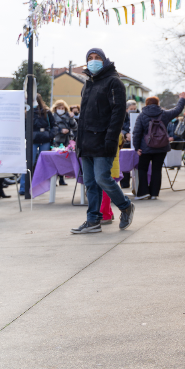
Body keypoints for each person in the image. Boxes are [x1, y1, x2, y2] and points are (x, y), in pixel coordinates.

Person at [72, 48, 136, 234]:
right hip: (86, 141)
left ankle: (125, 206)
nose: (93, 61)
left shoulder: (114, 82)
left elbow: (118, 114)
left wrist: (111, 139)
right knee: (90, 183)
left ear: (104, 60)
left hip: (103, 140)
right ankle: (93, 220)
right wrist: (79, 141)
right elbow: (83, 116)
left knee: (102, 178)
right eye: (90, 58)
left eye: (97, 58)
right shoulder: (87, 85)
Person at [132, 93, 185, 200]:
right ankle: (154, 194)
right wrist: (182, 99)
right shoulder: (165, 114)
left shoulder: (142, 115)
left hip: (145, 148)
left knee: (142, 169)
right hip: (162, 147)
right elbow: (178, 109)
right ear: (158, 104)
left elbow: (137, 133)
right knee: (157, 170)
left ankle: (143, 192)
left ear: (146, 104)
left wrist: (136, 147)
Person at [19, 94, 56, 198]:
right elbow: (23, 126)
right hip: (33, 140)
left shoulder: (47, 112)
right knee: (29, 163)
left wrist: (50, 135)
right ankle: (24, 187)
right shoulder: (27, 113)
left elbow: (54, 125)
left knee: (42, 163)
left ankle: (39, 187)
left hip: (44, 139)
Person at [99, 132, 124, 225]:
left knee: (105, 192)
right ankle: (108, 212)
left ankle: (105, 215)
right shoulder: (118, 133)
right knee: (106, 191)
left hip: (109, 166)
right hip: (111, 165)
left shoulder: (112, 133)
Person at [51, 99, 77, 185]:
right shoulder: (52, 116)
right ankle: (54, 179)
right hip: (56, 140)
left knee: (64, 160)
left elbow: (75, 127)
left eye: (62, 108)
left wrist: (72, 118)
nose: (61, 109)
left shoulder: (68, 116)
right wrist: (60, 130)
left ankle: (62, 178)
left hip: (66, 141)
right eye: (59, 108)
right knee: (55, 160)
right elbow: (51, 127)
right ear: (56, 108)